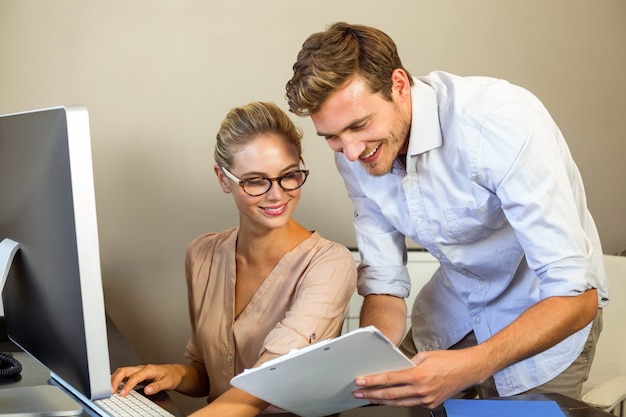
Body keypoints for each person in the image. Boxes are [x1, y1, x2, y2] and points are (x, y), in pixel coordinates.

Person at [285, 22, 609, 409]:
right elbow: (385, 283)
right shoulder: (356, 153)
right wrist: (367, 367)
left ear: (399, 86)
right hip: (454, 311)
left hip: (544, 314)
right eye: (333, 138)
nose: (350, 152)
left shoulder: (499, 122)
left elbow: (576, 296)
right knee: (370, 405)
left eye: (359, 125)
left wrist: (469, 367)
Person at [110, 101, 357, 416]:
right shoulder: (202, 254)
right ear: (223, 179)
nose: (276, 194)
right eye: (255, 180)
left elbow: (263, 389)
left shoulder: (329, 265)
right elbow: (210, 372)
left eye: (289, 175)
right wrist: (174, 373)